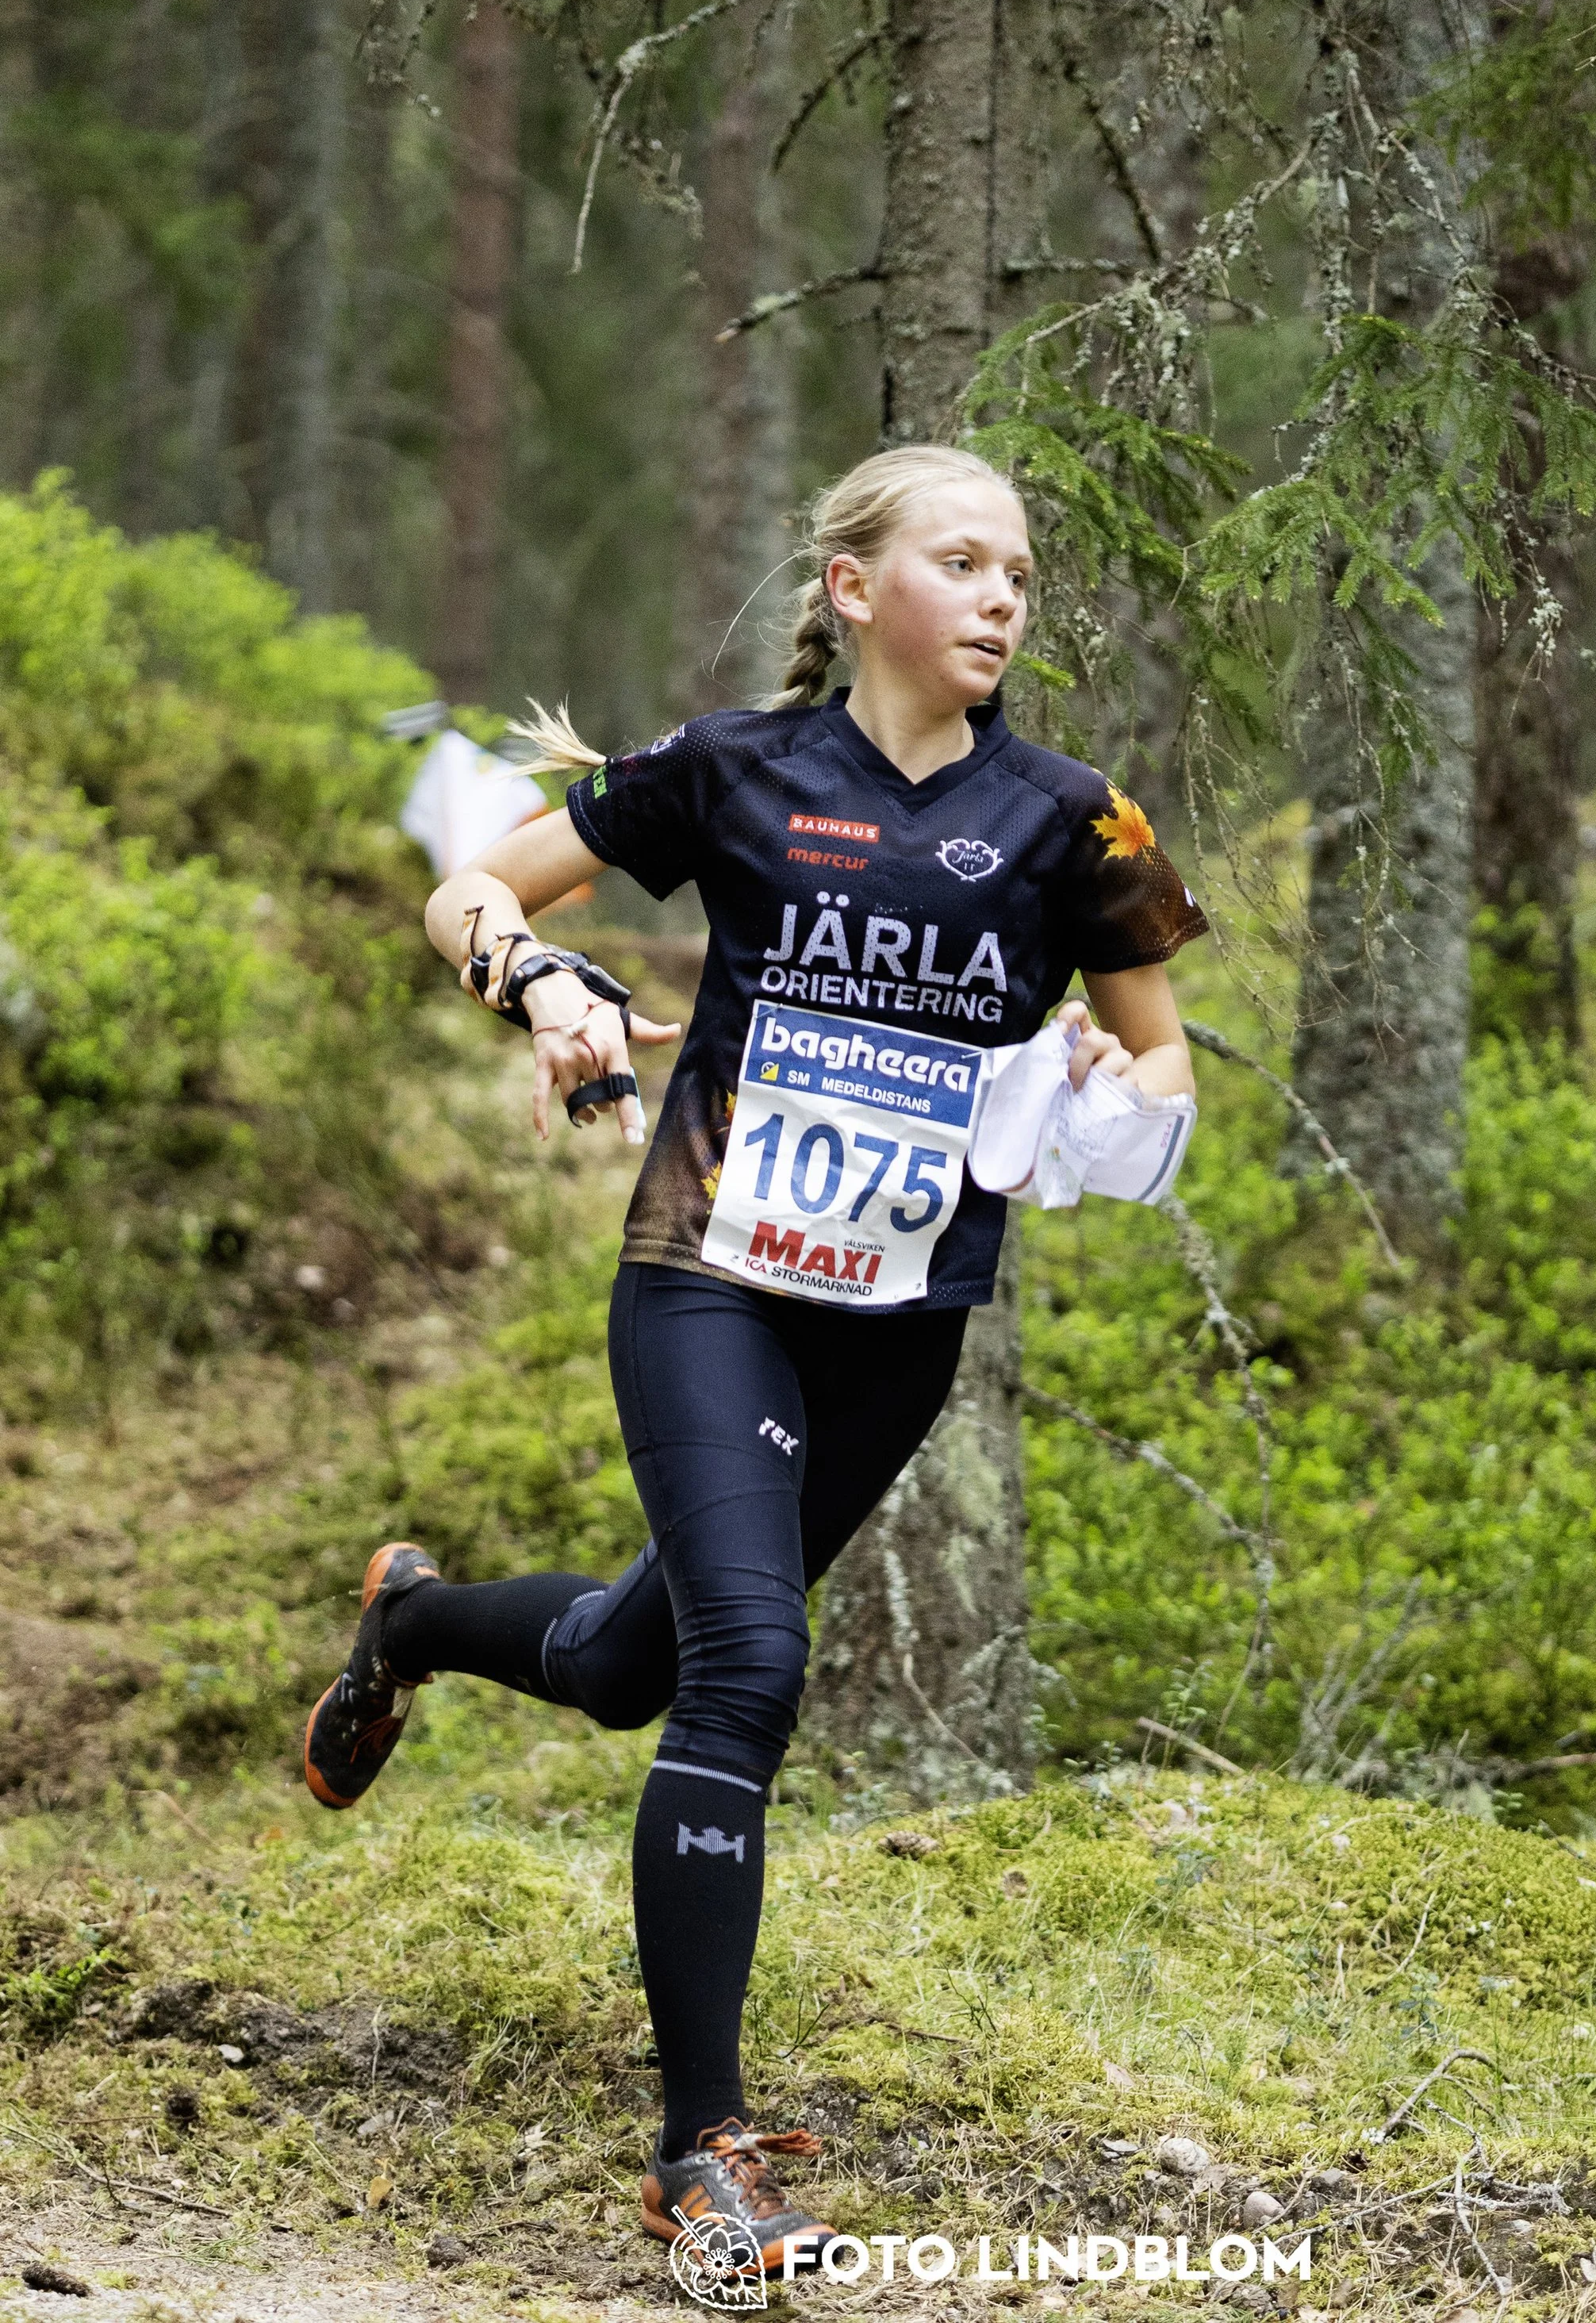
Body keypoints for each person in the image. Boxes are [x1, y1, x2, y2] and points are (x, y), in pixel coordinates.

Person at [301, 444, 1206, 2277]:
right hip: (706, 1278)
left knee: (631, 1666)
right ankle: (697, 2153)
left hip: (901, 1325)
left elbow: (1163, 1062)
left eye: (1019, 571)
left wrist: (1110, 1108)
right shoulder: (732, 769)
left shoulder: (1075, 820)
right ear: (856, 587)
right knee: (751, 1664)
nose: (1004, 596)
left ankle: (409, 1622)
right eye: (962, 561)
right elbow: (470, 890)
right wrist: (543, 989)